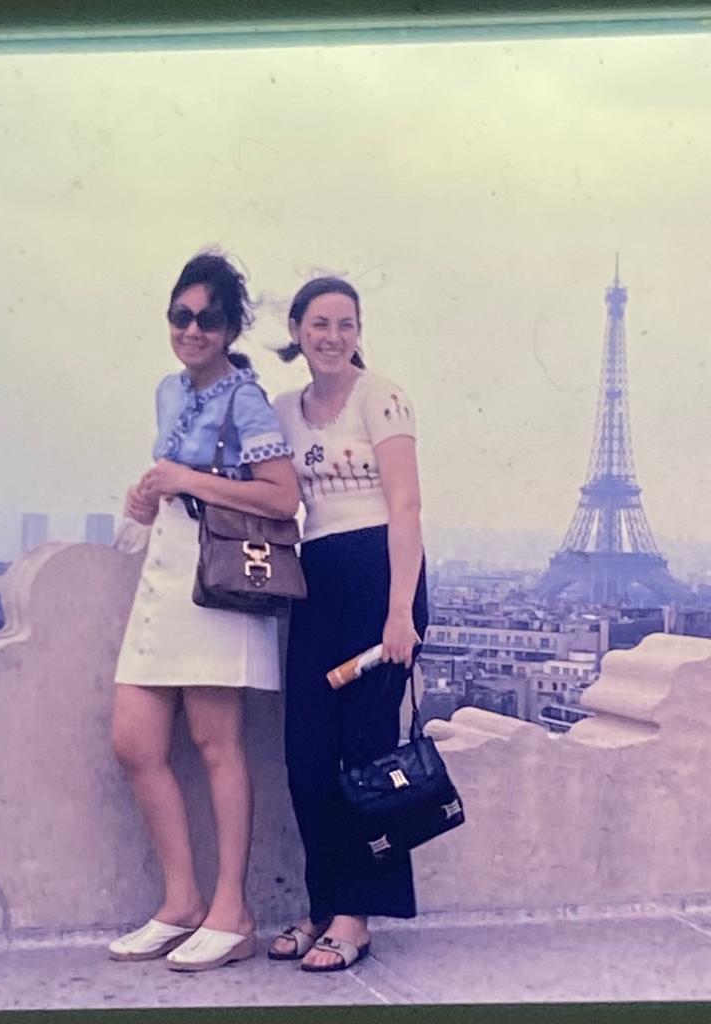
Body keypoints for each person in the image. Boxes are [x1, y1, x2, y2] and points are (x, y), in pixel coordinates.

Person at [107, 251, 300, 972]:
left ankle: (232, 911)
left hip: (219, 582)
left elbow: (283, 497)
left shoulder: (245, 398)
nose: (192, 331)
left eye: (208, 320)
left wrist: (187, 479)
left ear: (230, 329)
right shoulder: (168, 391)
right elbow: (170, 483)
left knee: (218, 743)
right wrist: (147, 494)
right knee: (134, 740)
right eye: (180, 316)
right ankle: (181, 900)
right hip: (164, 577)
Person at [269, 277, 428, 972]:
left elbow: (406, 507)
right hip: (317, 580)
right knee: (307, 756)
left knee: (366, 755)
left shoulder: (381, 397)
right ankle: (321, 904)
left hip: (378, 579)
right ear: (297, 330)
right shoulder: (284, 409)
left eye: (346, 324)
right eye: (320, 324)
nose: (333, 337)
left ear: (359, 332)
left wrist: (400, 610)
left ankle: (355, 916)